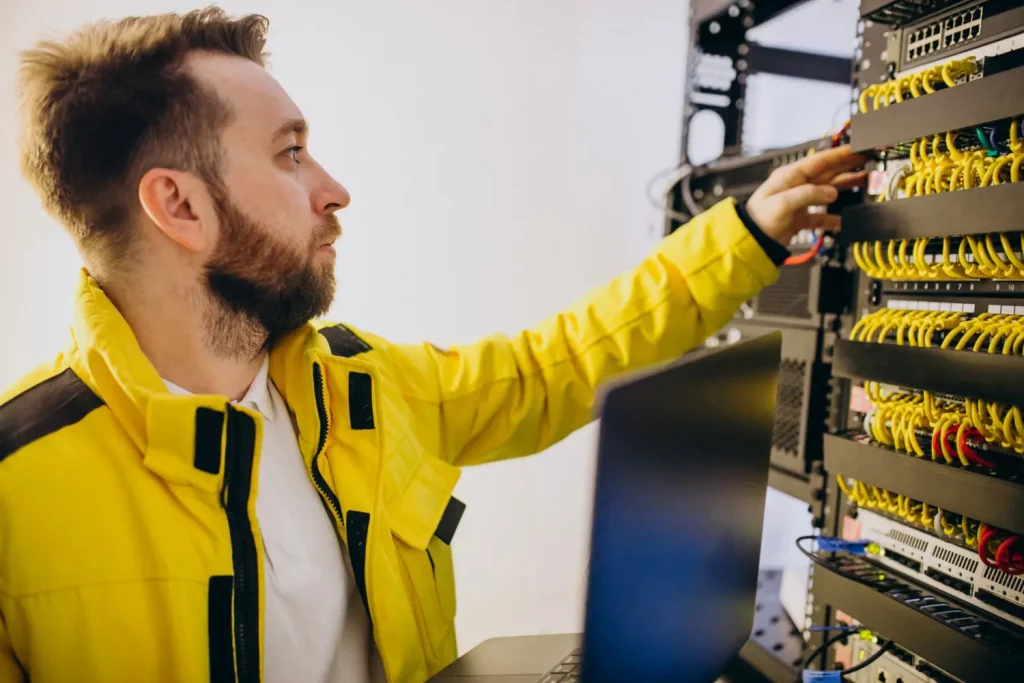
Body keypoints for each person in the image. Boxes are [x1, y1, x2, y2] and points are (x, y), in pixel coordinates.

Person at [0, 7, 864, 683]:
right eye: (291, 154)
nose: (335, 190)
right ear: (179, 205)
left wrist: (746, 234)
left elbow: (552, 365)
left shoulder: (358, 388)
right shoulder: (16, 488)